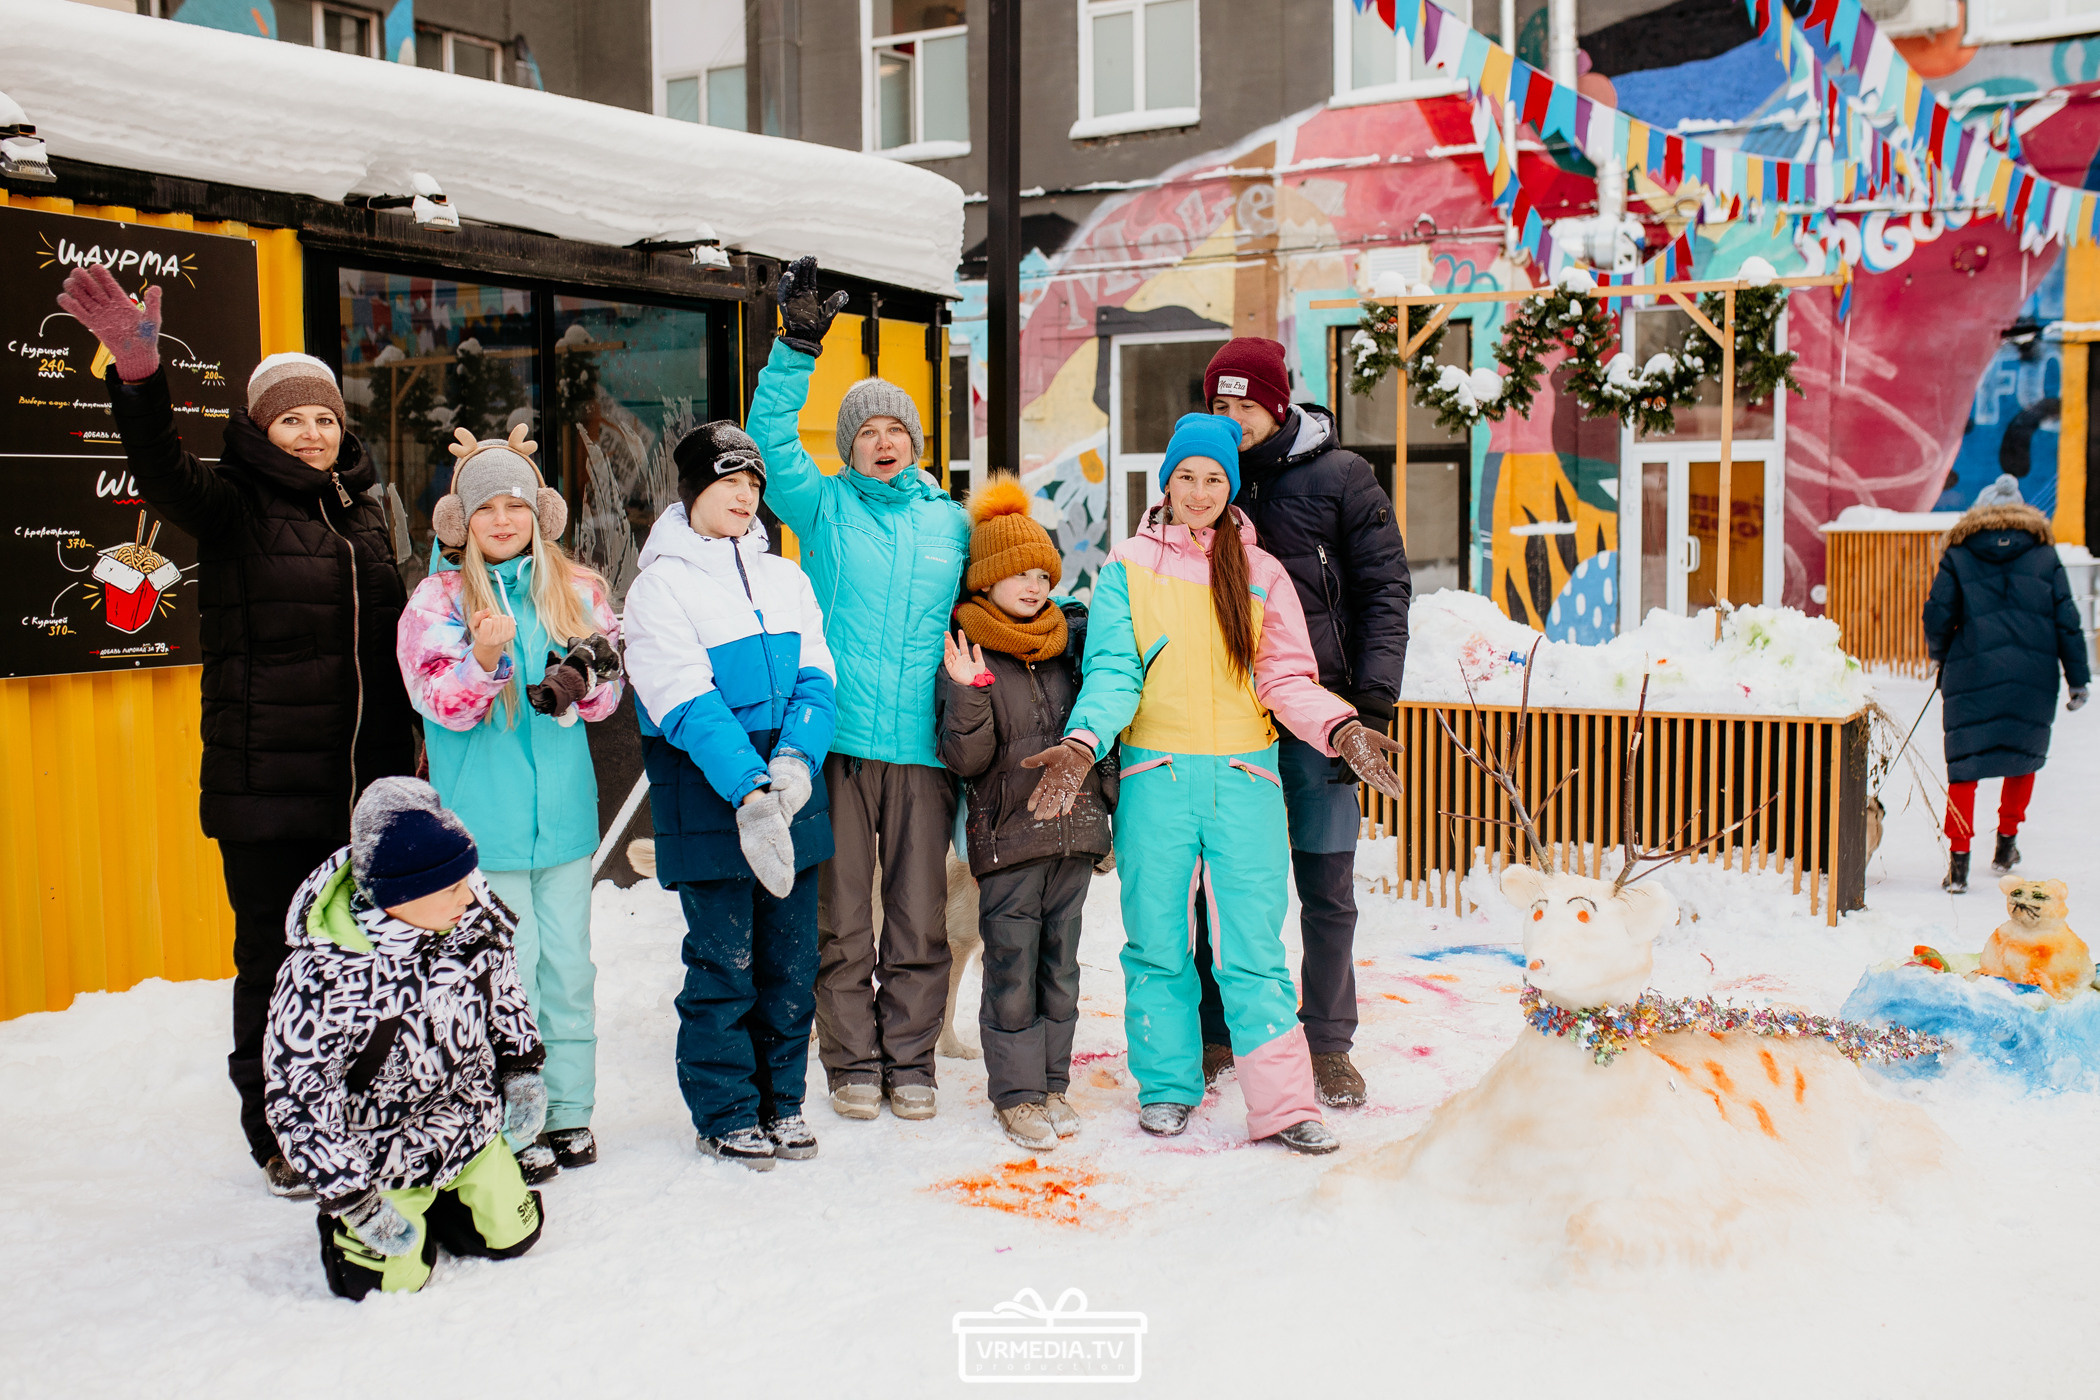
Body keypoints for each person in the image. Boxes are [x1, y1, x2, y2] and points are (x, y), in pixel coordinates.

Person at [57, 265, 418, 1198]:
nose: (311, 431)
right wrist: (139, 378)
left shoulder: (366, 517)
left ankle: (352, 1103)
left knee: (359, 960)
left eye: (325, 418)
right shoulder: (229, 506)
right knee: (276, 960)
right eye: (292, 418)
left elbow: (400, 644)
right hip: (267, 790)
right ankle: (280, 1129)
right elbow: (158, 469)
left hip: (363, 791)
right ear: (261, 428)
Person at [1025, 414, 1405, 1154]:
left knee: (1253, 950)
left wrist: (1341, 726)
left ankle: (1284, 1104)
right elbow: (1113, 674)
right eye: (1186, 476)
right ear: (1165, 482)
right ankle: (1167, 1086)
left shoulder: (1263, 574)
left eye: (1214, 479)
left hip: (1244, 780)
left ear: (1232, 487)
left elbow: (1287, 676)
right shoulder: (1127, 568)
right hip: (1155, 777)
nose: (1198, 492)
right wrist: (1080, 742)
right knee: (1158, 945)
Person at [747, 256, 971, 1122]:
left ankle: (911, 1059)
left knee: (919, 916)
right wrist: (796, 350)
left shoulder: (949, 523)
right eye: (868, 430)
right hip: (838, 743)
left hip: (921, 748)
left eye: (897, 429)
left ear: (917, 441)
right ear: (848, 446)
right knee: (843, 919)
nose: (884, 439)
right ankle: (850, 1061)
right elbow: (769, 438)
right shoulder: (822, 506)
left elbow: (997, 599)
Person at [395, 427, 623, 1181]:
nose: (502, 520)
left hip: (561, 822)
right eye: (485, 506)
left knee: (567, 971)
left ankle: (568, 1114)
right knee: (504, 976)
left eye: (515, 505)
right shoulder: (437, 599)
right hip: (480, 831)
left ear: (540, 513)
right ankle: (507, 1120)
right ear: (461, 521)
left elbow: (609, 696)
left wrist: (587, 679)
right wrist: (486, 661)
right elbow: (437, 700)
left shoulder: (578, 590)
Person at [1195, 336, 1411, 1108]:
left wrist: (1372, 702)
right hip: (1224, 719)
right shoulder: (1202, 477)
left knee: (1325, 884)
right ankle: (1213, 1029)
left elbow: (1386, 591)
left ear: (1277, 405)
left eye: (1244, 406)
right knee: (1215, 885)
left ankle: (1327, 1043)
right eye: (1219, 406)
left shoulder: (1343, 477)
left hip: (1320, 712)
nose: (1231, 420)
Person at [623, 423, 837, 1170]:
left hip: (790, 796)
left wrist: (795, 765)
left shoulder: (788, 579)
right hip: (712, 802)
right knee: (724, 964)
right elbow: (682, 697)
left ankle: (783, 1101)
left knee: (791, 961)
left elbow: (818, 677)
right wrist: (749, 787)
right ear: (693, 490)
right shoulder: (661, 585)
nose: (746, 494)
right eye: (729, 481)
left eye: (754, 483)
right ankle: (725, 1110)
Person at [265, 778, 547, 1300]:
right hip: (378, 1152)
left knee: (516, 1236)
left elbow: (504, 993)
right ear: (398, 893)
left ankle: (450, 1200)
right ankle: (353, 1233)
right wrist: (352, 1196)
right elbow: (299, 1097)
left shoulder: (472, 920)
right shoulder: (324, 974)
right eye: (450, 887)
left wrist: (521, 1066)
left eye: (467, 877)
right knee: (389, 1283)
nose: (470, 894)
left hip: (466, 1122)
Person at [936, 475, 1115, 1151]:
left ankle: (1053, 1085)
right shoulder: (968, 651)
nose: (1035, 586)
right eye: (1019, 574)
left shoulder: (1070, 645)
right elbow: (965, 758)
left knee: (1060, 969)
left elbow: (1102, 740)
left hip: (1071, 839)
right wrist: (967, 693)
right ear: (986, 581)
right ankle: (1015, 1095)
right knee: (1011, 968)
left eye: (1044, 572)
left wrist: (1106, 825)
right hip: (1008, 843)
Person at [1922, 474, 2089, 893]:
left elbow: (1937, 613)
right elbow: (2068, 620)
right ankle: (2005, 846)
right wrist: (2078, 679)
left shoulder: (1959, 553)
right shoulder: (2044, 555)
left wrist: (1941, 655)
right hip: (2033, 674)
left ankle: (1959, 862)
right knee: (2022, 757)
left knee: (1964, 766)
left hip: (1972, 669)